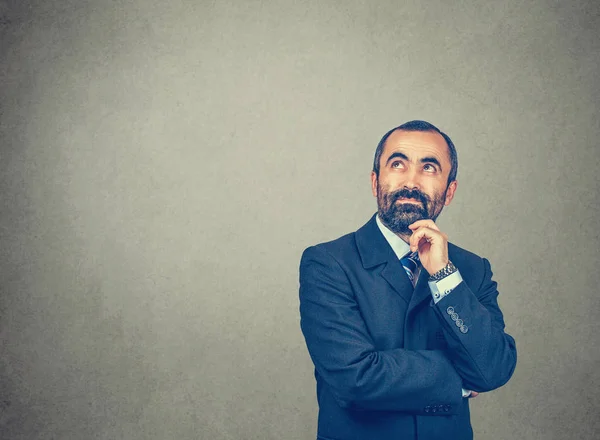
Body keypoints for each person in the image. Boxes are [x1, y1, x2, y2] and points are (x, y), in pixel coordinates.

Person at [299, 120, 517, 440]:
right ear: (375, 182)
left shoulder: (472, 269)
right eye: (398, 164)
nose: (411, 181)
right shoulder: (328, 263)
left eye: (429, 167)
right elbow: (355, 378)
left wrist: (444, 275)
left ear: (450, 190)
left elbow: (495, 366)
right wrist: (461, 380)